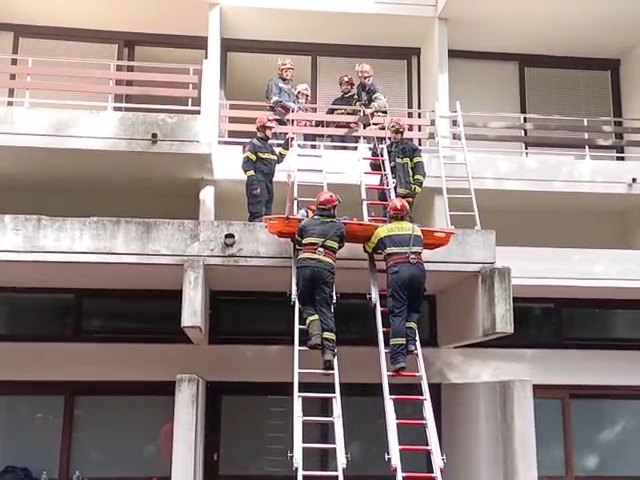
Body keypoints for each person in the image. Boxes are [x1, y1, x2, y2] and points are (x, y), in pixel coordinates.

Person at [364, 198, 425, 373]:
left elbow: (368, 248)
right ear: (407, 214)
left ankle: (398, 358)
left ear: (390, 214)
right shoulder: (416, 230)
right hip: (418, 270)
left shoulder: (382, 231)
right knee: (413, 309)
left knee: (398, 313)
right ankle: (411, 342)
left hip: (399, 271)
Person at [295, 190, 346, 370]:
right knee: (324, 308)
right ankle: (329, 352)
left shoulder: (306, 223)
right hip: (325, 268)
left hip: (305, 266)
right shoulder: (339, 227)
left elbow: (298, 241)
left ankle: (315, 336)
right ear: (332, 209)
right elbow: (340, 244)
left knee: (307, 304)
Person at [242, 115, 293, 222]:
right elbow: (247, 165)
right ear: (261, 129)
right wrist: (254, 182)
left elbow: (278, 159)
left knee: (267, 213)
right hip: (258, 182)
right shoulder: (253, 145)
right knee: (258, 213)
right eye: (269, 129)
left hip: (268, 182)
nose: (272, 132)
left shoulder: (269, 147)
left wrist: (287, 143)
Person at [370, 118, 425, 212]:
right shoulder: (387, 149)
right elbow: (377, 169)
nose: (394, 135)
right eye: (392, 132)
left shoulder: (411, 148)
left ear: (402, 133)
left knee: (404, 215)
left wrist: (416, 187)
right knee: (388, 216)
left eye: (397, 133)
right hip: (387, 191)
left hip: (405, 192)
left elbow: (419, 168)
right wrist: (375, 156)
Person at [326, 74, 359, 149]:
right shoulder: (336, 101)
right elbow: (328, 115)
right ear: (341, 87)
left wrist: (356, 124)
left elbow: (360, 113)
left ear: (351, 86)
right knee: (338, 152)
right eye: (343, 85)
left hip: (351, 130)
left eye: (347, 85)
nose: (345, 87)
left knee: (351, 152)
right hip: (337, 130)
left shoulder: (356, 100)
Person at [265, 58, 297, 133]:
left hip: (288, 118)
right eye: (286, 71)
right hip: (276, 116)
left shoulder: (290, 86)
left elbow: (294, 101)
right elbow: (273, 99)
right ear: (281, 71)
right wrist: (286, 104)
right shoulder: (274, 82)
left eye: (290, 71)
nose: (288, 73)